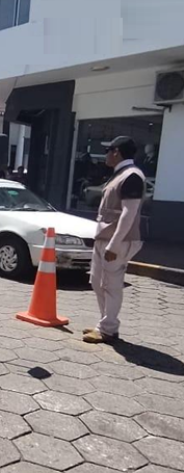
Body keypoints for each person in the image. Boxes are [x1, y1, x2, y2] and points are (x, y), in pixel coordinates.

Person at [84, 136, 146, 344]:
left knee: (111, 285)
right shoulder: (120, 175)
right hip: (105, 237)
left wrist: (114, 244)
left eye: (108, 150)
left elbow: (129, 214)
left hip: (117, 241)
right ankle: (105, 324)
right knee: (96, 281)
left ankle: (109, 329)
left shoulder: (132, 176)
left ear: (117, 152)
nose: (106, 155)